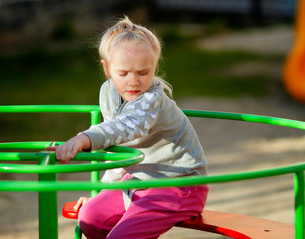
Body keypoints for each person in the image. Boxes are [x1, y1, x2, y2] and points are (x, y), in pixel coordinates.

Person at [46, 16, 208, 239]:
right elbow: (118, 146)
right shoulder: (108, 93)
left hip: (179, 184)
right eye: (123, 73)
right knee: (90, 218)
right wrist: (101, 194)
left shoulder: (151, 99)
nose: (134, 82)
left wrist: (83, 139)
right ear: (107, 69)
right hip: (138, 180)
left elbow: (125, 128)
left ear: (154, 68)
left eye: (144, 73)